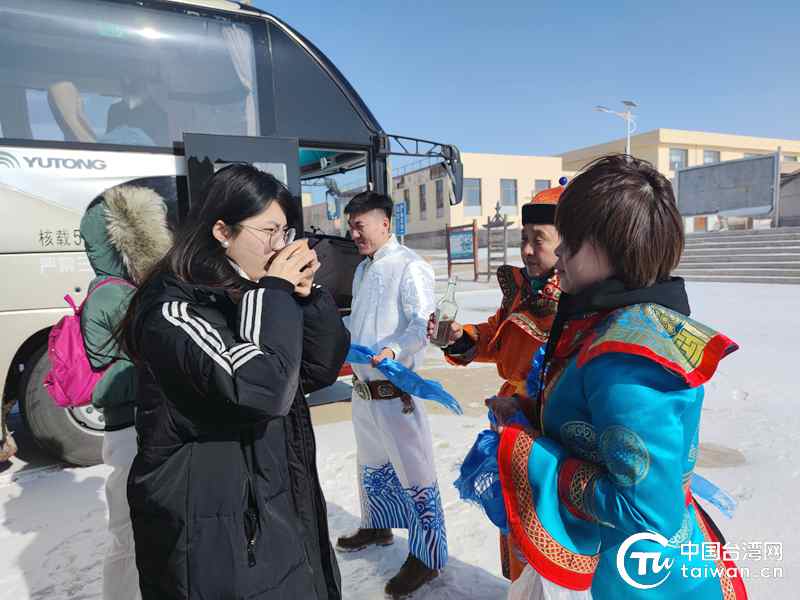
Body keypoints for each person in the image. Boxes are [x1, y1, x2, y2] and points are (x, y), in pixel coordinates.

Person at [496, 155, 748, 599]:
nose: (559, 254)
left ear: (612, 248)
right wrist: (528, 411)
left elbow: (646, 515)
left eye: (571, 241)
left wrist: (528, 448)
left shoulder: (628, 360)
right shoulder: (606, 322)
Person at [117, 164, 349, 599]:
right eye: (269, 231)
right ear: (222, 231)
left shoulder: (251, 291)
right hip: (216, 531)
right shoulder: (175, 309)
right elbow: (261, 390)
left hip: (272, 504)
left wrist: (308, 297)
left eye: (286, 232)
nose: (281, 245)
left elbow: (317, 369)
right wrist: (274, 292)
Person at [430, 186, 563, 583]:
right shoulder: (523, 289)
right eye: (524, 239)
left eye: (539, 240)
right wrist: (461, 337)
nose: (527, 250)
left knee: (547, 529)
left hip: (550, 427)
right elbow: (498, 337)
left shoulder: (577, 296)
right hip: (512, 420)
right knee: (517, 521)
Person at [336, 191, 446, 598]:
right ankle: (378, 524)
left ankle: (428, 556)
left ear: (385, 223)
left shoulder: (410, 266)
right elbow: (358, 321)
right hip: (363, 389)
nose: (354, 234)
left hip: (395, 390)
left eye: (359, 225)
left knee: (415, 474)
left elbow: (421, 325)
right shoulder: (363, 269)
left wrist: (395, 351)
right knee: (371, 465)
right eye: (350, 226)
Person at [80, 184, 173, 600]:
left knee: (132, 528)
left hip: (127, 427)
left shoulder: (109, 287)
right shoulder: (116, 294)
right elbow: (141, 362)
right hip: (130, 427)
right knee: (132, 531)